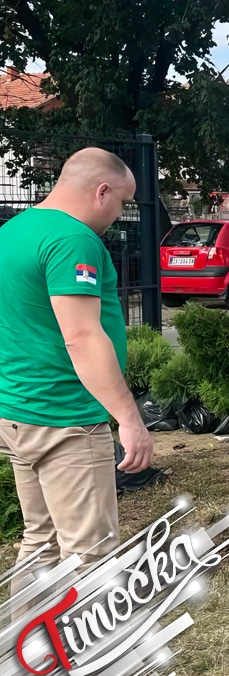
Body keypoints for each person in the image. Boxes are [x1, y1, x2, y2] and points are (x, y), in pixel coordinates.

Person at [0, 147, 155, 596]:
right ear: (101, 190)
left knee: (40, 542)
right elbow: (82, 338)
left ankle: (26, 654)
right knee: (91, 555)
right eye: (122, 202)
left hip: (19, 412)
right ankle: (86, 662)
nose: (120, 213)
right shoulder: (73, 240)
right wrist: (129, 418)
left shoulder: (13, 231)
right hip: (64, 417)